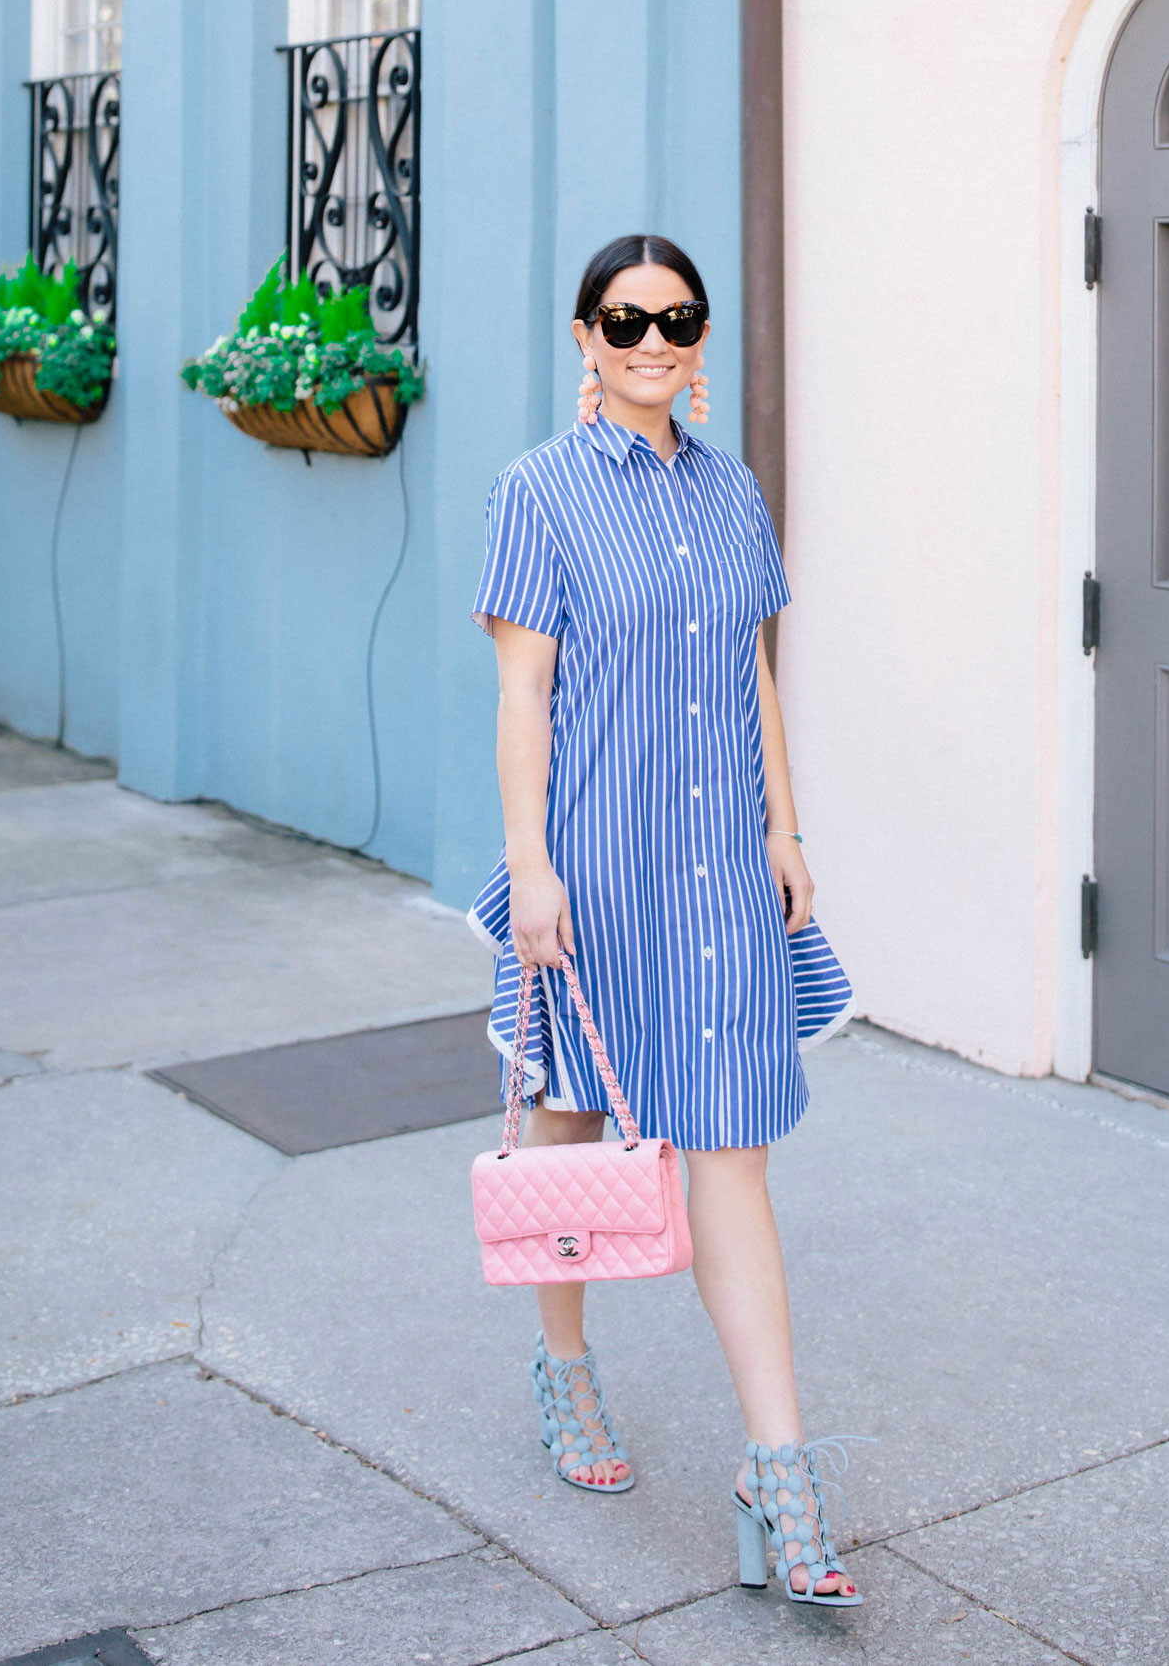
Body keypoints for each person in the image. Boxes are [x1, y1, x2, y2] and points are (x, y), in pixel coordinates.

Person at [467, 235, 863, 1608]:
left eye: (677, 320)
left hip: (722, 873)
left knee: (731, 1153)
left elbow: (753, 673)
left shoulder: (736, 494)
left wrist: (785, 829)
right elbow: (525, 695)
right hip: (598, 872)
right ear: (585, 334)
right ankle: (565, 1370)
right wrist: (530, 863)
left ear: (700, 338)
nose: (653, 341)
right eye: (627, 320)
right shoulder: (540, 493)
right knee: (574, 1125)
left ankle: (782, 1467)